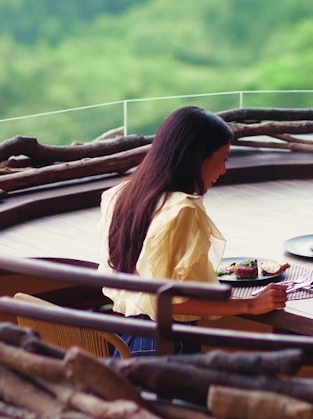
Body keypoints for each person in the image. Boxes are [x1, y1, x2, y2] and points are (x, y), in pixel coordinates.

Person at [97, 106, 288, 356]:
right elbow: (172, 302)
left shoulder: (122, 195)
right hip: (168, 348)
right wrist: (250, 305)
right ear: (198, 158)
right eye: (223, 159)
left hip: (131, 342)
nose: (224, 170)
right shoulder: (183, 210)